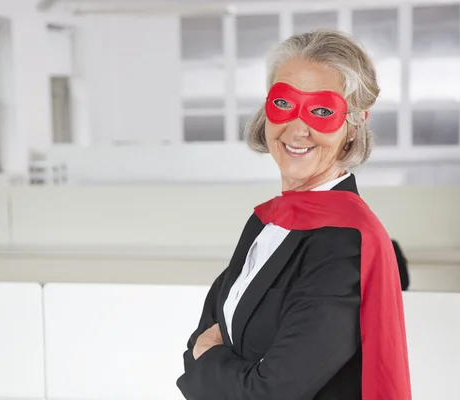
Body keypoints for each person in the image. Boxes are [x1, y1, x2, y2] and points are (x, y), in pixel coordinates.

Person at [176, 30, 411, 400]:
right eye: (284, 104)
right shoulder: (266, 221)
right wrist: (213, 360)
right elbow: (201, 338)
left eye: (321, 111)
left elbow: (273, 391)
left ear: (354, 125)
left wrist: (210, 361)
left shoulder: (345, 242)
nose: (298, 129)